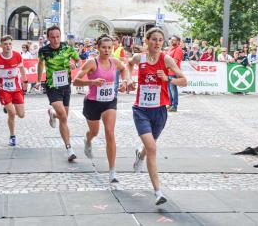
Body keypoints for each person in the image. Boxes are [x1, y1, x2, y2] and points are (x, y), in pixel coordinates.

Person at [127, 28, 187, 205]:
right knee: (152, 148)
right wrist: (129, 79)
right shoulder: (141, 58)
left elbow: (184, 80)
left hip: (160, 110)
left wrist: (168, 79)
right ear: (146, 41)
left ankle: (140, 154)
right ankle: (158, 192)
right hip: (141, 110)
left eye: (161, 40)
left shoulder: (166, 59)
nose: (158, 43)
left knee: (149, 145)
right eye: (154, 39)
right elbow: (128, 65)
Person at [73, 34, 127, 183]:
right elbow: (75, 81)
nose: (107, 50)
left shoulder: (115, 61)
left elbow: (124, 69)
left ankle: (112, 170)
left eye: (110, 47)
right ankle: (88, 140)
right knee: (94, 132)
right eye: (104, 47)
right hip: (92, 102)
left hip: (110, 101)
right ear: (98, 48)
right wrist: (92, 82)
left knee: (110, 132)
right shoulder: (92, 63)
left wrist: (125, 81)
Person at [36, 26, 80, 162]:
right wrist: (38, 80)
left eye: (57, 36)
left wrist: (74, 65)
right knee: (64, 117)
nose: (55, 40)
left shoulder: (67, 48)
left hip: (66, 86)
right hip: (52, 86)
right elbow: (40, 65)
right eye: (52, 37)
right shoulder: (43, 50)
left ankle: (52, 113)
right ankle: (69, 149)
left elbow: (78, 61)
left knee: (63, 116)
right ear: (48, 38)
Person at [0, 35, 28, 146]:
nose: (8, 46)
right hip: (4, 89)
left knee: (21, 114)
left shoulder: (17, 56)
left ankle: (7, 107)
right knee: (12, 113)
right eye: (5, 44)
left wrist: (24, 80)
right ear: (1, 45)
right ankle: (12, 136)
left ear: (12, 44)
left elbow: (21, 68)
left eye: (10, 44)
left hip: (16, 88)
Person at [167, 35, 183, 112]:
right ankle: (170, 104)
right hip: (168, 71)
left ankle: (174, 106)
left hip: (173, 72)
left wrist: (166, 64)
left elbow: (175, 61)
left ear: (178, 41)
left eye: (174, 40)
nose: (172, 41)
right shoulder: (170, 49)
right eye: (171, 40)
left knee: (173, 89)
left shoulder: (178, 49)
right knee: (169, 89)